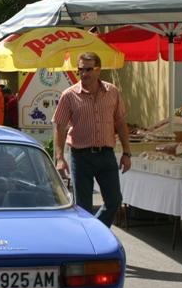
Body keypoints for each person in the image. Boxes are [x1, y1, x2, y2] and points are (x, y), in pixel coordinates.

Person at [52, 52, 131, 227]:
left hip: (106, 155)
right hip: (81, 157)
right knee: (84, 207)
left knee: (114, 201)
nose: (84, 74)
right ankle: (89, 242)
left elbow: (120, 122)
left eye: (88, 69)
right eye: (81, 69)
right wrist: (59, 158)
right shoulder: (69, 95)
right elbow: (59, 126)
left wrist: (127, 152)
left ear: (98, 69)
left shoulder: (112, 92)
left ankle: (95, 230)